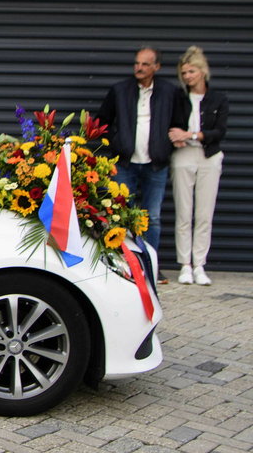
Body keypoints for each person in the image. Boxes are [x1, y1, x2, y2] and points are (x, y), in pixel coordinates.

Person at [97, 46, 177, 282]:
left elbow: (177, 123)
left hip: (155, 164)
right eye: (137, 63)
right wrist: (117, 142)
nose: (139, 68)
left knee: (152, 216)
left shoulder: (168, 92)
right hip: (125, 162)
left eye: (145, 64)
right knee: (122, 214)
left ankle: (150, 264)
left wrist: (165, 147)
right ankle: (124, 264)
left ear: (156, 67)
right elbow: (102, 120)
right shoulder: (120, 90)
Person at [168, 46, 228, 286]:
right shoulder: (178, 98)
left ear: (202, 71)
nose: (187, 77)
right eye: (184, 73)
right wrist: (178, 135)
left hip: (209, 156)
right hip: (183, 156)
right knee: (184, 212)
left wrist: (191, 134)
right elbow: (172, 128)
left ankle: (200, 264)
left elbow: (219, 132)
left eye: (191, 71)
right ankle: (185, 264)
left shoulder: (218, 99)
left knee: (204, 213)